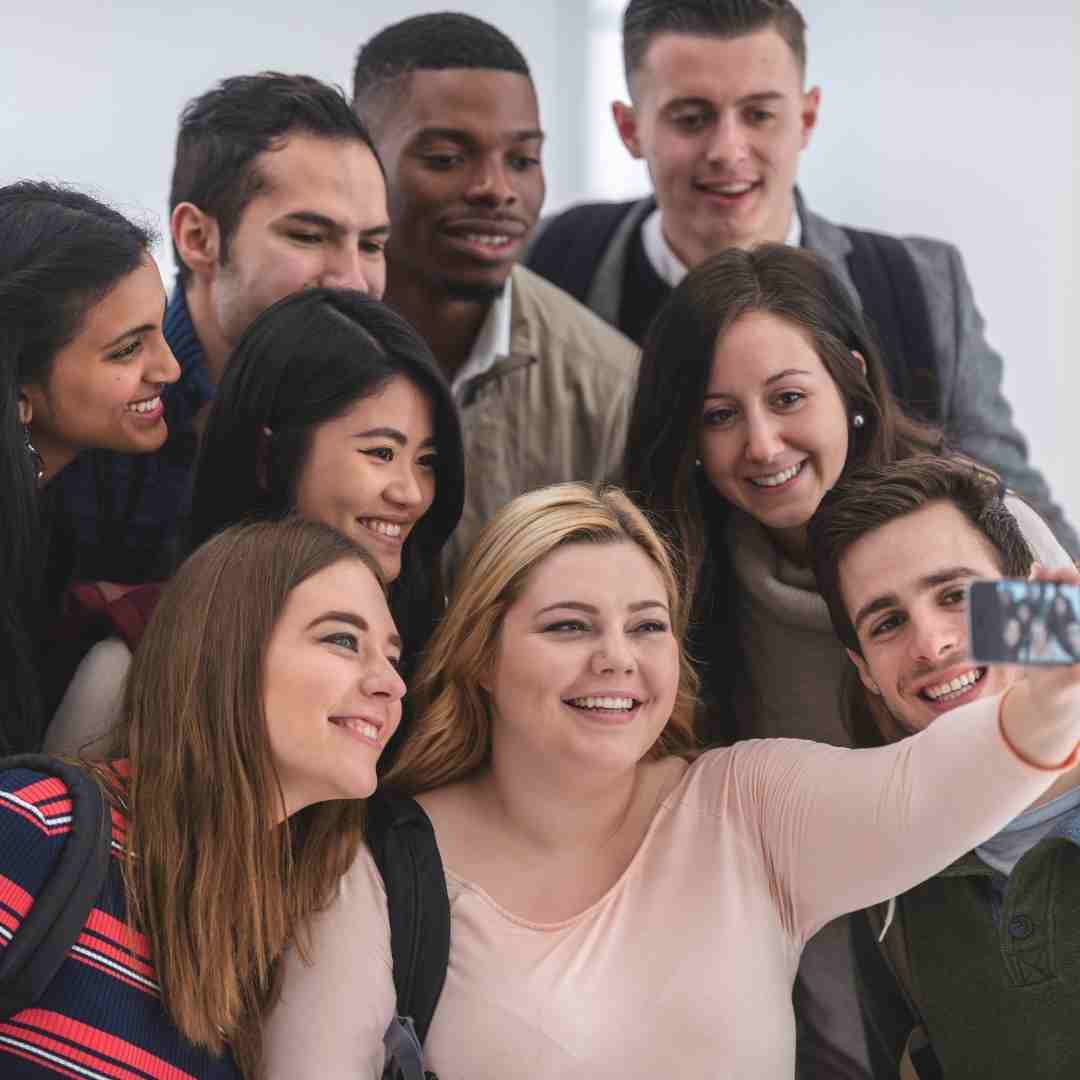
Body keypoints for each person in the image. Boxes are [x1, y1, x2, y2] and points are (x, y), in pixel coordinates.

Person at [262, 482, 1080, 1079]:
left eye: (647, 626)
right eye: (568, 626)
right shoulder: (379, 869)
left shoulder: (747, 806)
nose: (617, 658)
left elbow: (929, 786)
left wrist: (1054, 684)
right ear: (480, 653)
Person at [622, 242, 1074, 1076]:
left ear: (852, 385)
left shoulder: (966, 524)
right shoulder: (689, 587)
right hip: (836, 955)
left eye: (789, 398)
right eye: (719, 415)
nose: (762, 444)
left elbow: (1067, 714)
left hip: (1011, 904)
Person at [525, 0, 1078, 558]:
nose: (727, 151)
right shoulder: (550, 264)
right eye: (691, 119)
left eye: (759, 114)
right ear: (630, 128)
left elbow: (1016, 527)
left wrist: (1054, 635)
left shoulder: (918, 287)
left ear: (806, 119)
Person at [0, 516, 405, 1078]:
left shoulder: (281, 933)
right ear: (226, 651)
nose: (391, 682)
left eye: (392, 656)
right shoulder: (33, 826)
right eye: (343, 639)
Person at [45, 289, 464, 760]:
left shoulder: (439, 661)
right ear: (269, 455)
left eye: (427, 461)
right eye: (381, 453)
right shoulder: (137, 661)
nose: (410, 493)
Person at [56, 72, 392, 584]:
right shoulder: (92, 422)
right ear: (197, 238)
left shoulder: (397, 413)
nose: (353, 281)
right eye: (307, 235)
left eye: (371, 245)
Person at [807, 455, 1080, 1078]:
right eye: (888, 622)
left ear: (1032, 598)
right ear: (864, 673)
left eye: (955, 595)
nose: (931, 644)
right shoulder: (886, 886)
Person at [352, 13, 639, 562]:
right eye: (447, 159)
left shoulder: (612, 392)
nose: (496, 189)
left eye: (522, 159)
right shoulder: (291, 345)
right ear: (362, 160)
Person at [0, 180, 180, 754]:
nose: (171, 368)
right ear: (18, 386)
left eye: (162, 328)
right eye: (128, 349)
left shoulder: (67, 503)